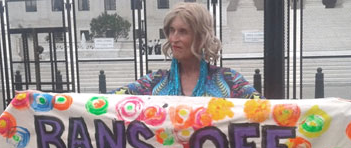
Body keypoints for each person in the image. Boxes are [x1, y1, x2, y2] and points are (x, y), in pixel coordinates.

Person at [112, 2, 261, 99]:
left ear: (200, 36)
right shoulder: (153, 82)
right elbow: (105, 104)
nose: (173, 38)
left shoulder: (230, 81)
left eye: (183, 31)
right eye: (171, 30)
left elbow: (267, 113)